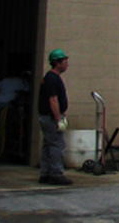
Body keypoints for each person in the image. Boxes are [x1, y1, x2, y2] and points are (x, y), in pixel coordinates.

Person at [37, 49, 72, 186]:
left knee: (47, 145)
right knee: (57, 145)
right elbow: (53, 100)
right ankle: (56, 173)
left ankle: (45, 173)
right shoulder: (52, 78)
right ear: (57, 63)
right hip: (51, 118)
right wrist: (59, 118)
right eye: (65, 62)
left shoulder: (50, 78)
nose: (67, 64)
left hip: (47, 116)